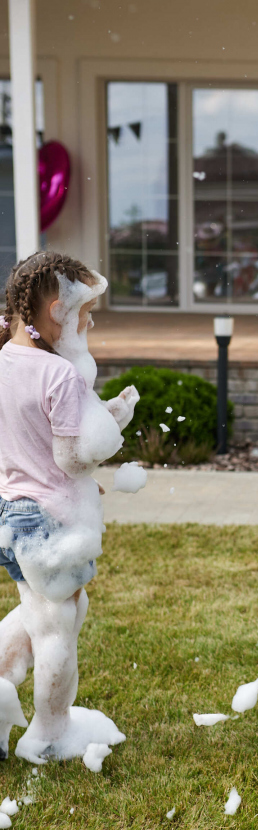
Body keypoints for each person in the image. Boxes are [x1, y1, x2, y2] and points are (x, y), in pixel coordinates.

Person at [0, 251, 137, 764]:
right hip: (48, 521)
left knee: (39, 611)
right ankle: (51, 732)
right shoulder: (58, 375)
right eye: (86, 313)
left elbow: (26, 441)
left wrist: (99, 415)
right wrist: (115, 425)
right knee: (61, 621)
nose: (91, 321)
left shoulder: (3, 361)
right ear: (57, 311)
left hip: (10, 514)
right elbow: (72, 458)